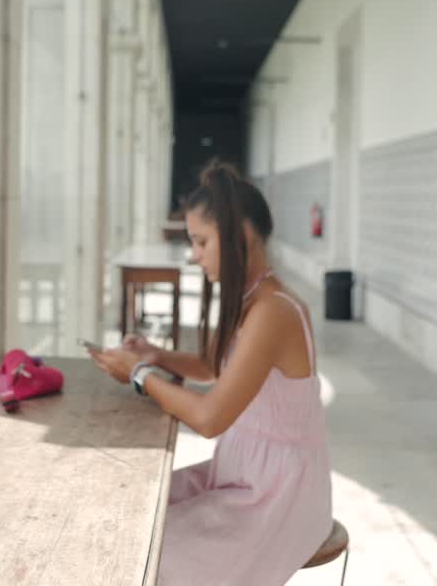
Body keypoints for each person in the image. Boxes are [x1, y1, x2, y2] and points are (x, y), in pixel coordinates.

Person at [89, 160, 333, 586]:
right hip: (244, 472)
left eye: (201, 242)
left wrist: (141, 374)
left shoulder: (275, 311)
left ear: (240, 235)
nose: (194, 255)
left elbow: (209, 418)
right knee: (132, 511)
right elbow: (215, 367)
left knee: (152, 556)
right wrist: (157, 355)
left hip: (277, 495)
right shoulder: (255, 299)